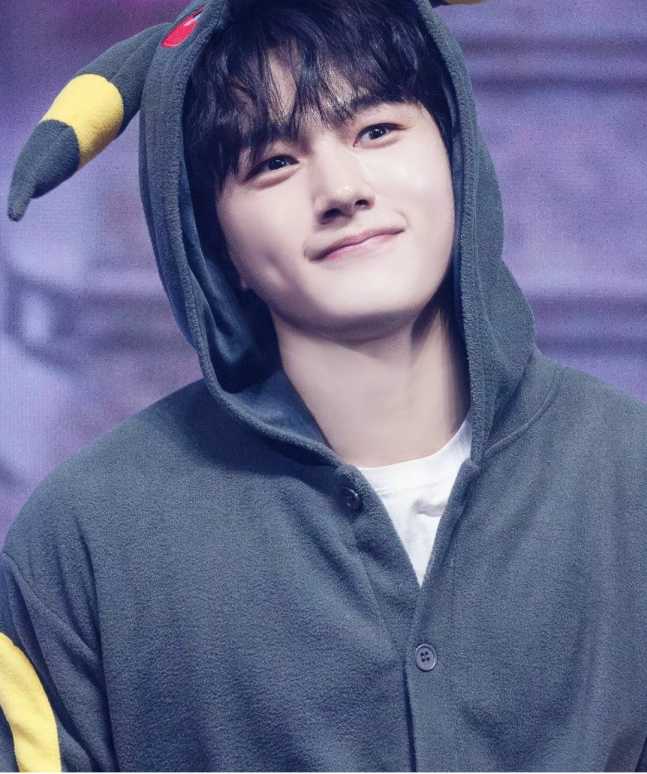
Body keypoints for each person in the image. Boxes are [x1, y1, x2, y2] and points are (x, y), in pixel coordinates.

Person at [2, 0, 647, 771]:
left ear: (454, 153)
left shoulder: (627, 474)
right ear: (214, 242)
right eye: (273, 162)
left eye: (375, 130)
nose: (341, 189)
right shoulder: (81, 543)